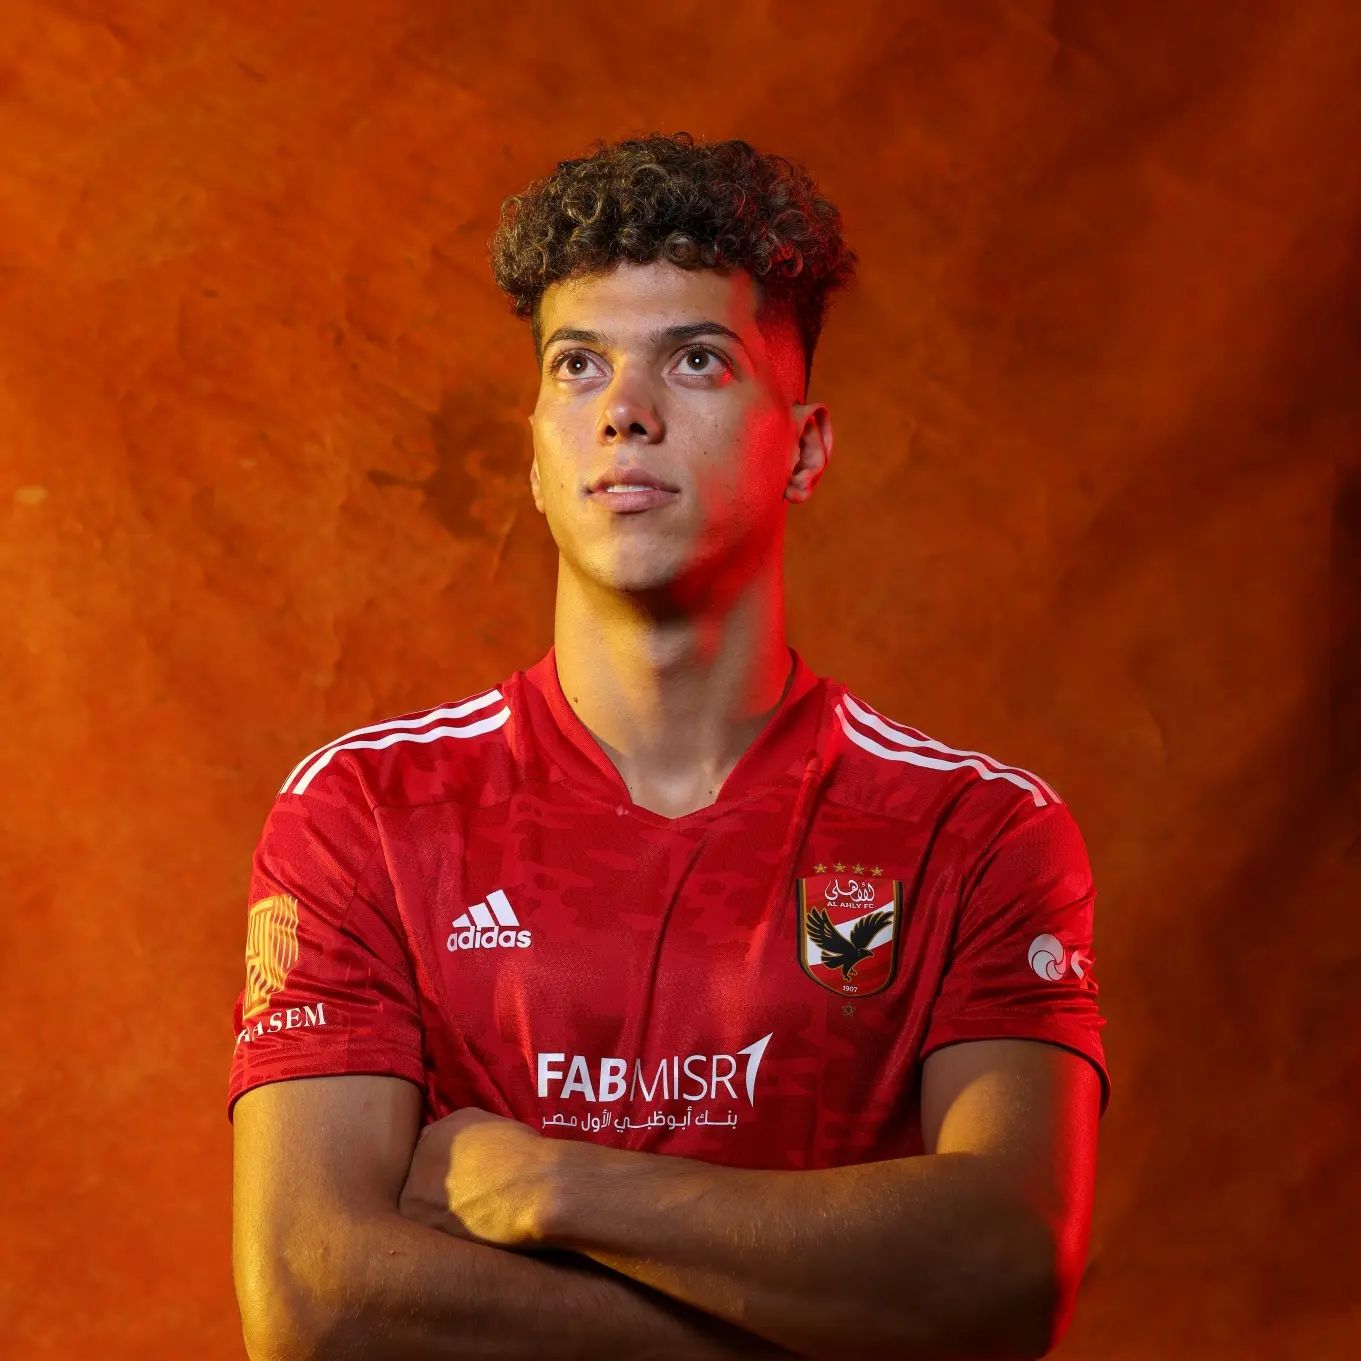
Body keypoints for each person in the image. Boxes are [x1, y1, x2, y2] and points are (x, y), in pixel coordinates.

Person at [229, 130, 1110, 1361]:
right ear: (534, 453)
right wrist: (833, 1321)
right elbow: (314, 1301)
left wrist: (556, 1185)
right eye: (578, 365)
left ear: (803, 447)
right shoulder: (369, 811)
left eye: (696, 360)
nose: (625, 414)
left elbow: (1004, 1269)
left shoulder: (976, 830)